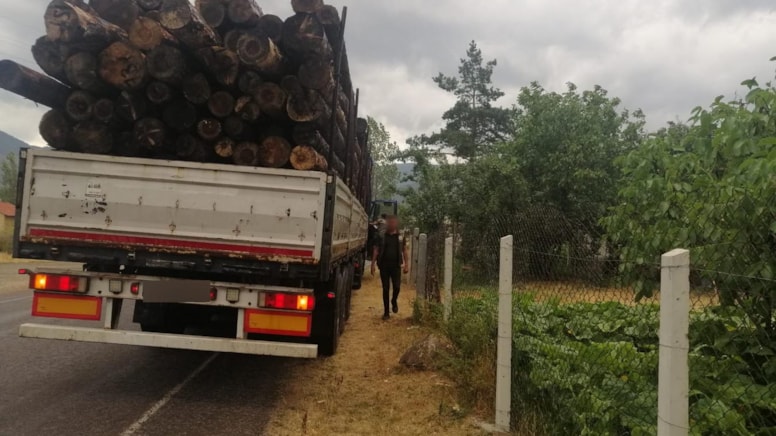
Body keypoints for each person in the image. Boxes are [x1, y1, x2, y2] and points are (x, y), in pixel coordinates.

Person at [371, 215, 408, 320]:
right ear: (387, 223)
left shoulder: (400, 237)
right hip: (384, 266)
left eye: (393, 222)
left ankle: (394, 301)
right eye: (389, 222)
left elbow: (404, 250)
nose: (391, 224)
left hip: (396, 266)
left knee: (397, 287)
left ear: (396, 223)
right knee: (386, 288)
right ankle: (386, 312)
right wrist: (373, 264)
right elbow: (376, 249)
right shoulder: (382, 236)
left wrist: (406, 265)